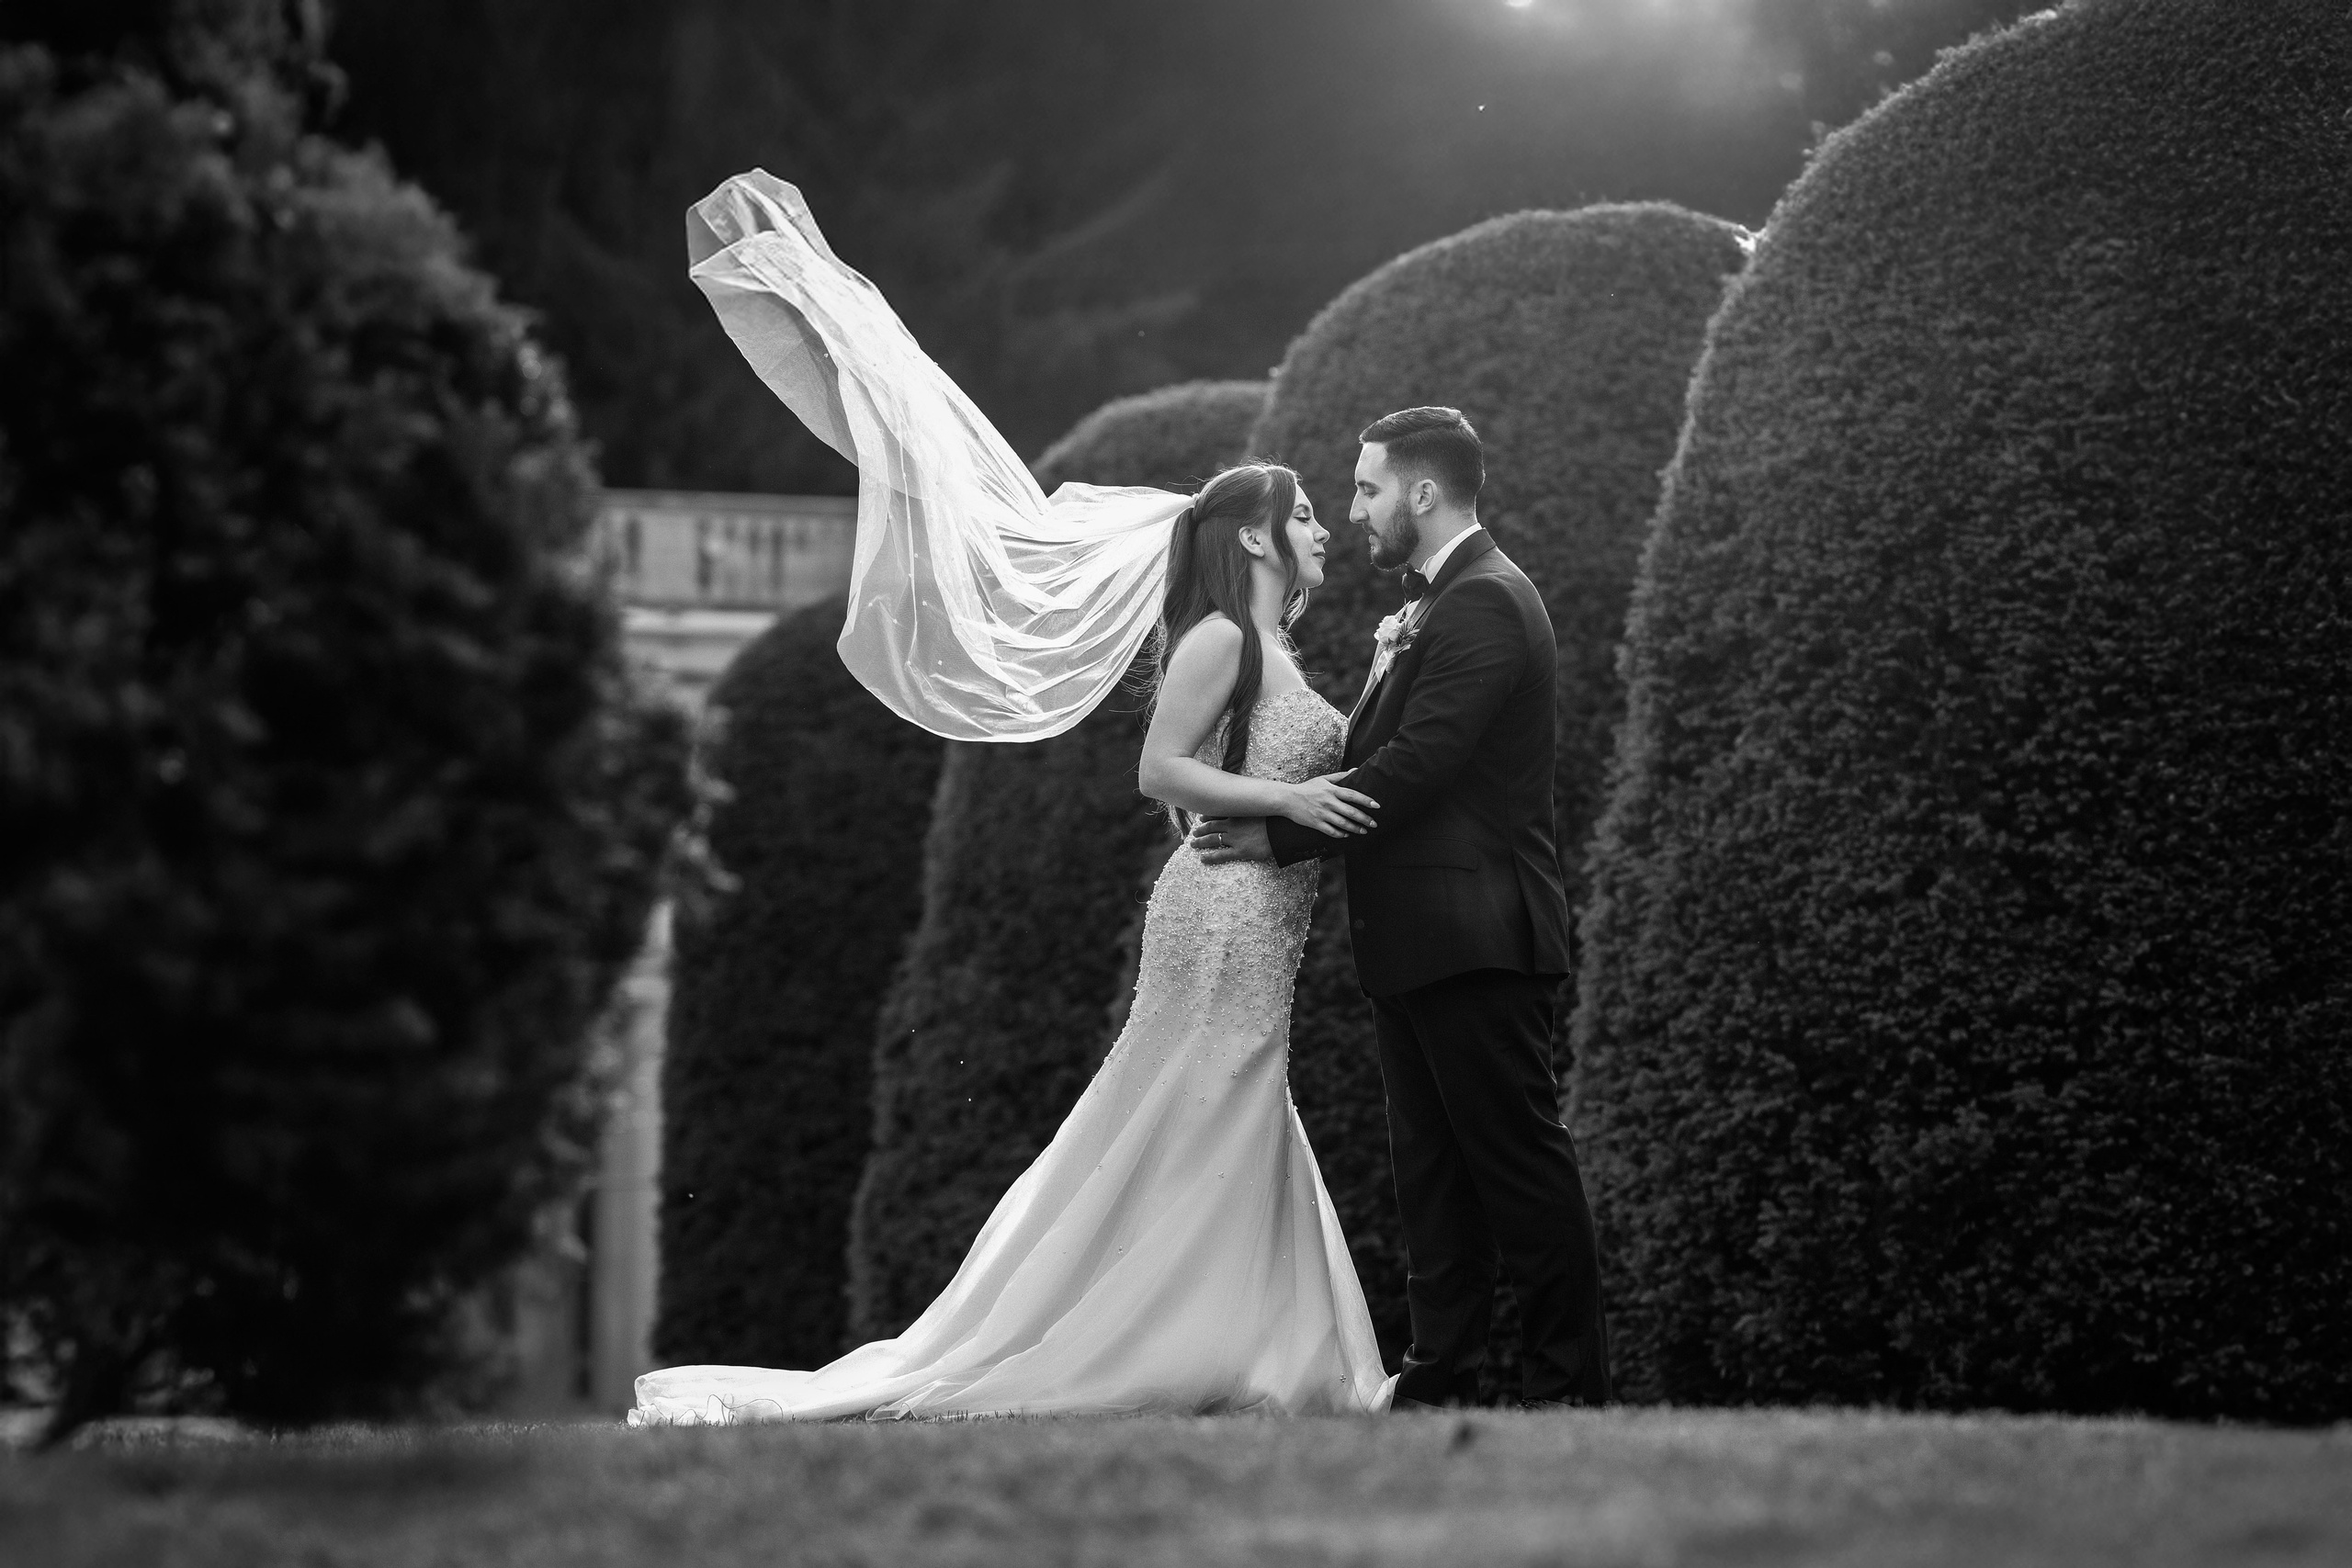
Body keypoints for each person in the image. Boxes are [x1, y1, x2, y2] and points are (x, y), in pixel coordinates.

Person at [631, 172, 1396, 1423]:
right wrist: (1303, 811)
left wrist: (1374, 688)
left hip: (1257, 907)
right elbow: (1162, 769)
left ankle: (1256, 1337)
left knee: (1224, 1100)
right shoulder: (1217, 641)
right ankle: (1188, 1342)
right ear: (1254, 537)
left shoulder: (1275, 646)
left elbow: (1295, 760)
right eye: (1304, 513)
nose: (1319, 527)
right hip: (1220, 908)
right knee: (1218, 1093)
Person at [1195, 407, 1612, 1408]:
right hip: (1422, 939)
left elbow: (1418, 766)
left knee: (1516, 1169)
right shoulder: (1438, 602)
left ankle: (1568, 1389)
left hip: (1480, 937)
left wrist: (1280, 831)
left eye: (1369, 489)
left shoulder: (1483, 603)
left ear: (1423, 494)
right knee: (1432, 1174)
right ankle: (1442, 1375)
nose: (1354, 511)